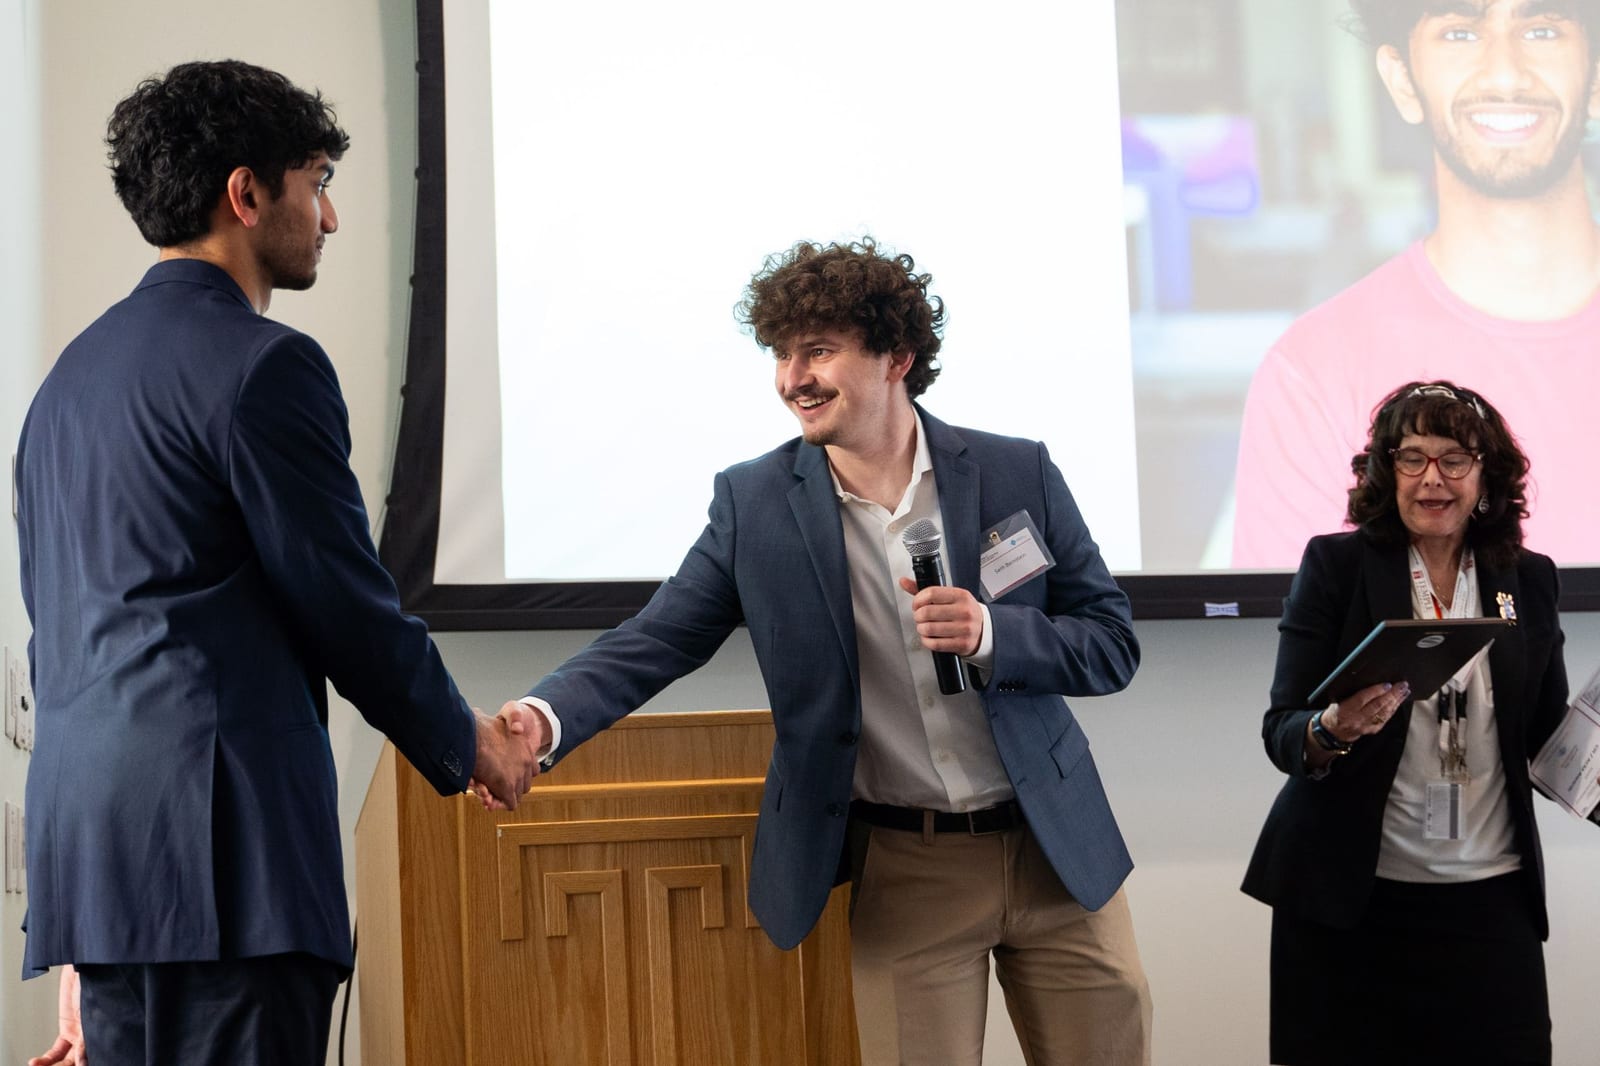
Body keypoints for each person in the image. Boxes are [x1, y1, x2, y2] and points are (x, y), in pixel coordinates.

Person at [494, 239, 1152, 1065]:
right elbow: (654, 640)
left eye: (819, 350)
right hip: (909, 871)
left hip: (1060, 854)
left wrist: (992, 634)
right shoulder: (756, 502)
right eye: (782, 353)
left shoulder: (1016, 472)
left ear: (896, 357)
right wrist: (542, 719)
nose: (792, 377)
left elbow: (1111, 643)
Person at [15, 60, 538, 1066]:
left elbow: (63, 643)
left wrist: (86, 948)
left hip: (96, 870)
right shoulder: (267, 365)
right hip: (231, 872)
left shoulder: (60, 391)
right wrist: (471, 742)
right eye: (318, 179)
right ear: (247, 195)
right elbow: (346, 604)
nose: (330, 216)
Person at [1242, 381, 1571, 1064]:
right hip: (1354, 904)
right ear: (1384, 471)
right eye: (1411, 458)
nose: (1432, 479)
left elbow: (1544, 738)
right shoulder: (1337, 567)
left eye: (1454, 458)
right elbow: (1283, 729)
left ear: (1488, 474)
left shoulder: (1527, 578)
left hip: (1491, 901)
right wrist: (1332, 728)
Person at [1232, 0, 1600, 568]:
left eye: (1543, 28)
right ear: (1403, 80)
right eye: (1459, 32)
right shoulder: (1313, 376)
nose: (1505, 72)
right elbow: (1296, 652)